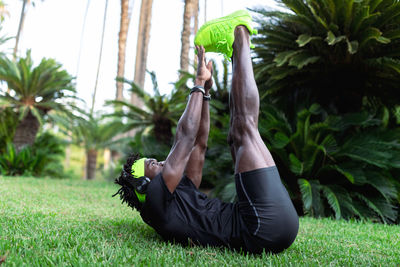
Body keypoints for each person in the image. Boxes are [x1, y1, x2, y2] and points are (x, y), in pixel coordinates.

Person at [113, 10, 299, 254]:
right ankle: (239, 33)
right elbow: (184, 139)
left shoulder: (179, 194)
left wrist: (206, 94)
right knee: (244, 131)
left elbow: (198, 144)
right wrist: (197, 85)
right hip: (261, 229)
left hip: (266, 224)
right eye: (153, 164)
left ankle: (236, 47)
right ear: (143, 185)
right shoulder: (155, 206)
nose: (161, 162)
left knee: (238, 135)